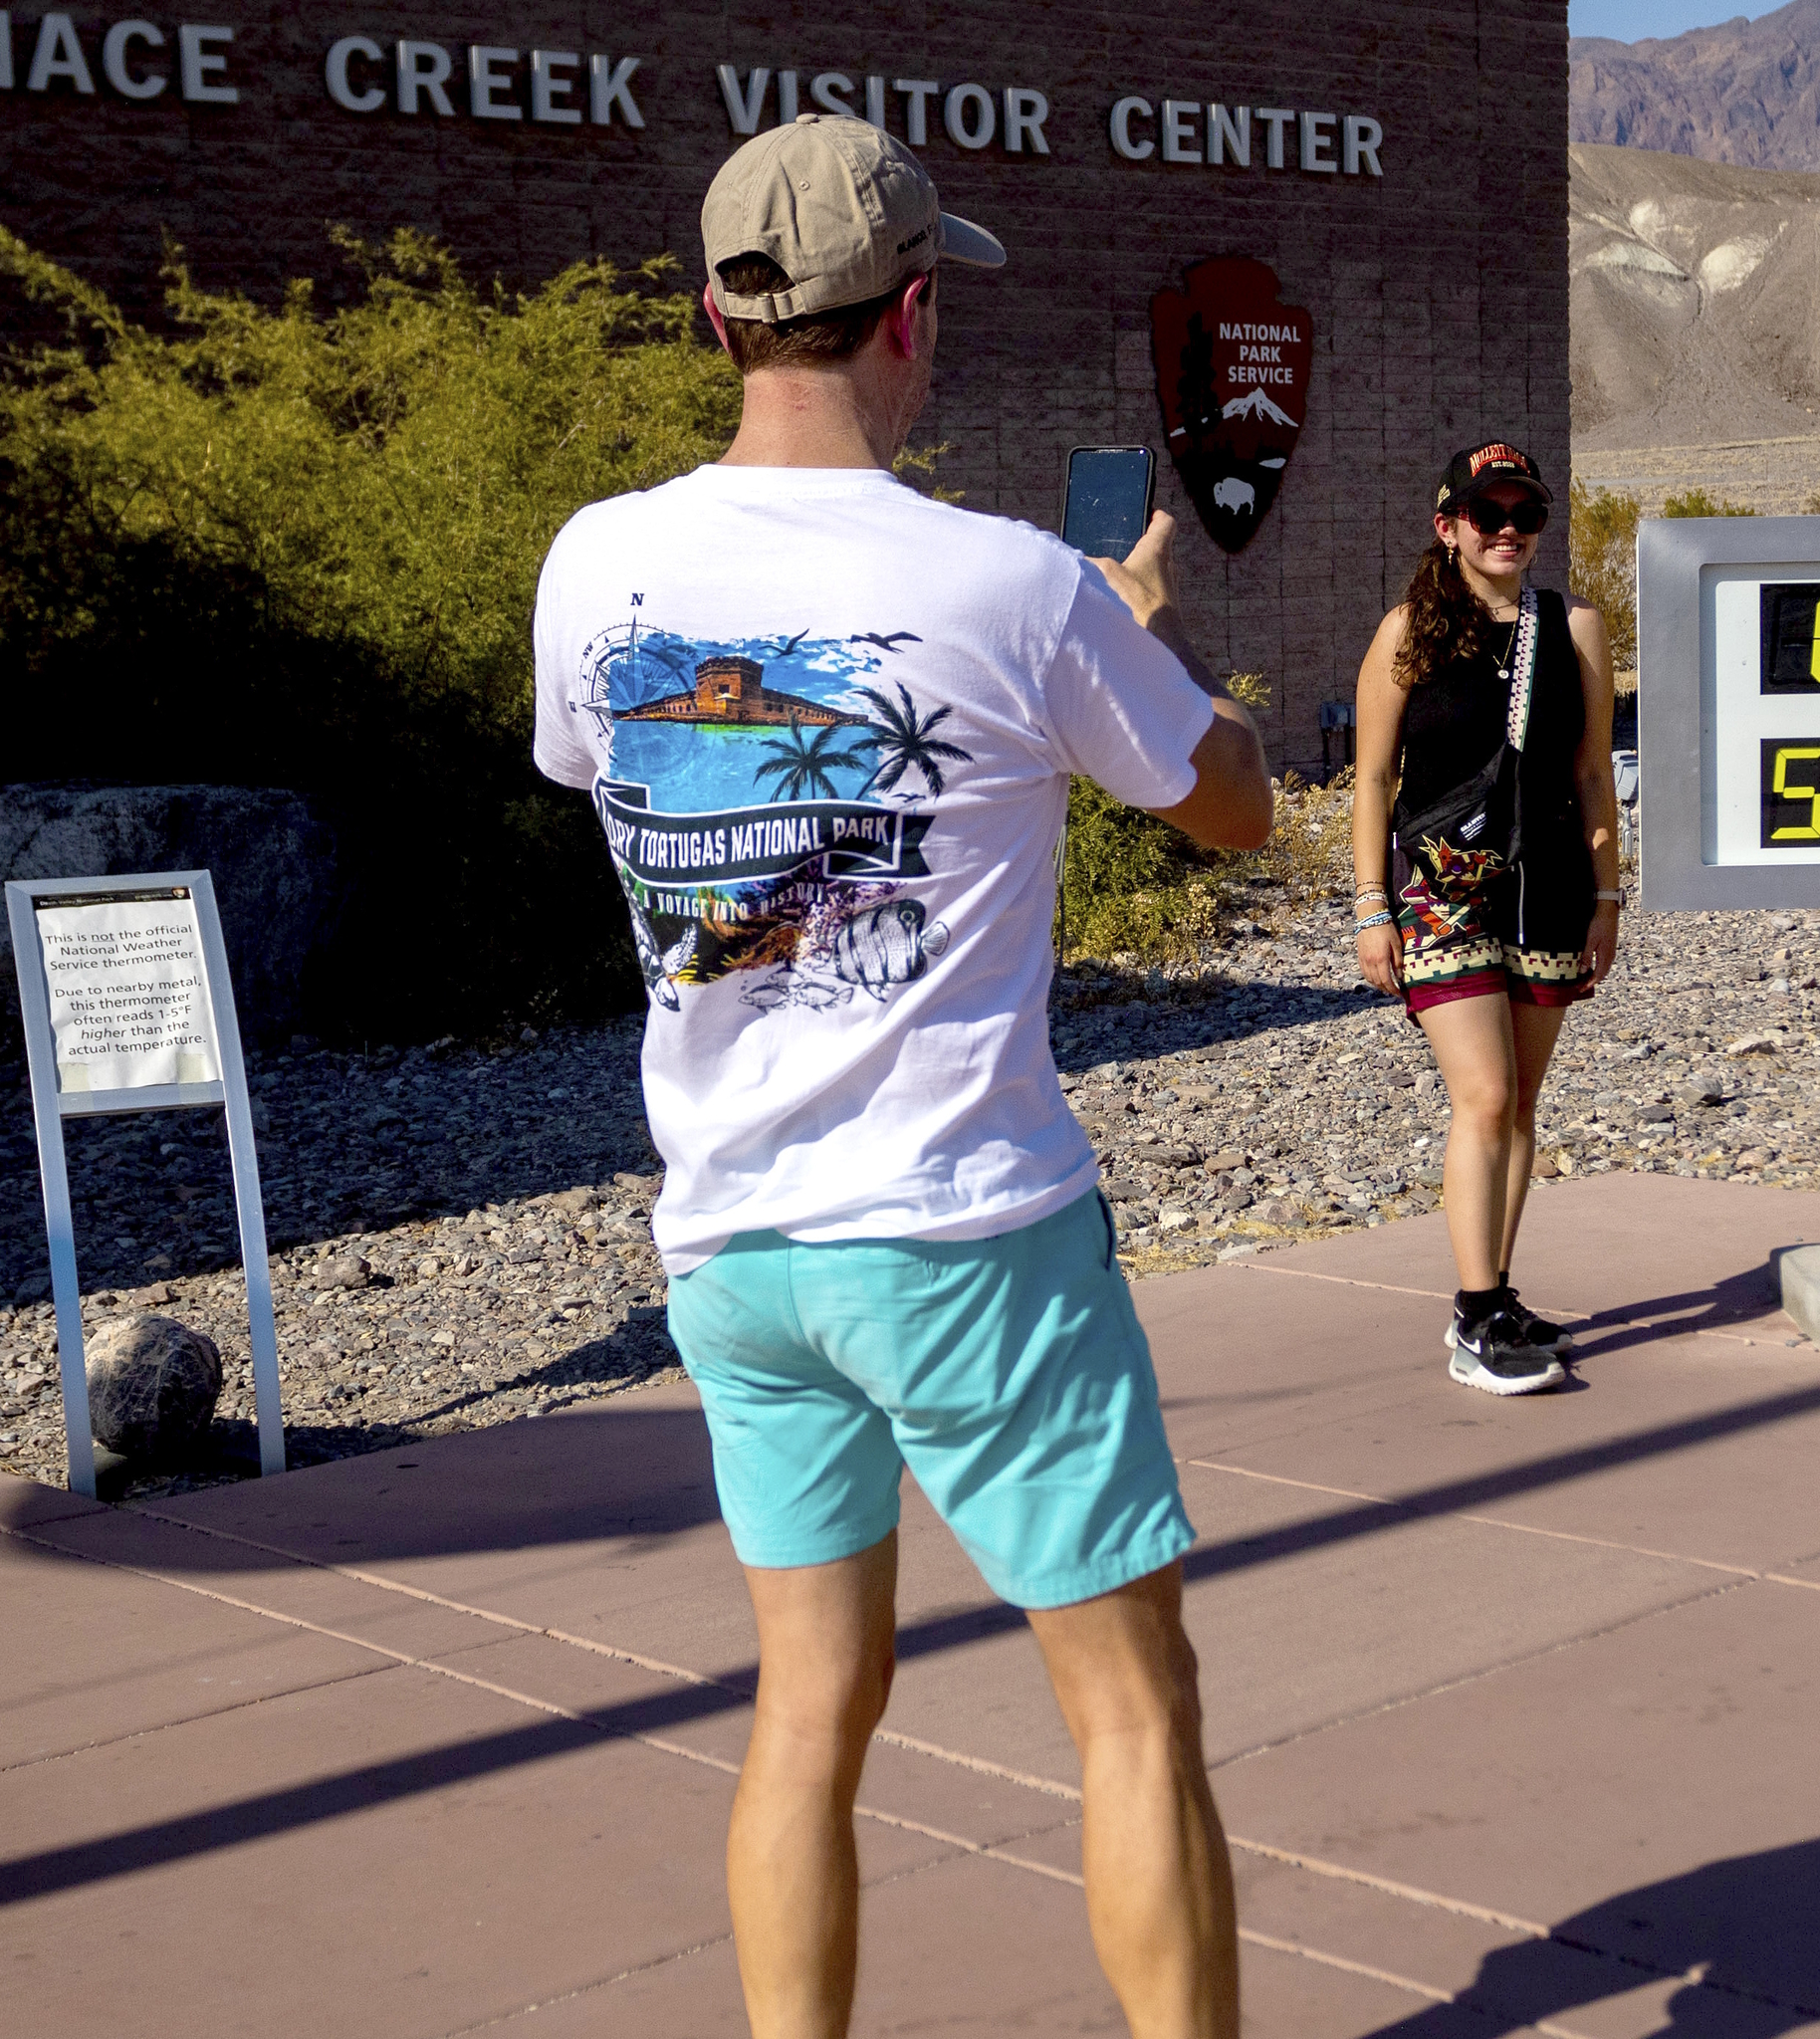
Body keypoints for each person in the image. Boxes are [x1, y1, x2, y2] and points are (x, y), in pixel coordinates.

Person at [531, 116, 1267, 2037]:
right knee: (1129, 1705)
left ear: (715, 314)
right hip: (963, 1232)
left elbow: (604, 781)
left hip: (729, 1245)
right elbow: (1236, 815)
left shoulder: (594, 565)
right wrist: (1133, 645)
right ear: (913, 316)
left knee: (802, 1709)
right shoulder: (1022, 585)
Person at [1348, 443, 1623, 1396]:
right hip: (1439, 891)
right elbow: (1374, 779)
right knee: (1487, 1098)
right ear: (1449, 526)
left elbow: (1592, 772)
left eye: (1526, 514)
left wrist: (1608, 897)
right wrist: (1370, 906)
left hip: (1546, 881)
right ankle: (1473, 1318)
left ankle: (1499, 1291)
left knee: (1523, 1106)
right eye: (1487, 513)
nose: (1508, 530)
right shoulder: (1406, 632)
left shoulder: (1575, 626)